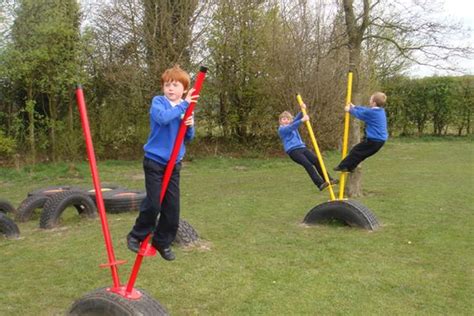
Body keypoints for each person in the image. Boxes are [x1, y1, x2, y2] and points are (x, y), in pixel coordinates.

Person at [127, 65, 199, 261]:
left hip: (174, 164)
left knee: (172, 209)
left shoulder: (186, 109)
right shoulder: (159, 103)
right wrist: (183, 106)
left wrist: (190, 126)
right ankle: (136, 236)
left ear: (184, 89)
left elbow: (187, 137)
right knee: (153, 204)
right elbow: (163, 119)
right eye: (167, 84)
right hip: (155, 162)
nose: (170, 88)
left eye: (175, 85)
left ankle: (162, 241)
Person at [278, 104, 338, 192]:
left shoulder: (292, 123)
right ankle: (320, 183)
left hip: (302, 148)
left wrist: (302, 110)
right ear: (280, 121)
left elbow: (297, 119)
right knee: (307, 164)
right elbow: (292, 127)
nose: (286, 121)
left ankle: (328, 179)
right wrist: (302, 120)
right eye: (283, 119)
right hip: (293, 151)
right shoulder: (282, 130)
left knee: (317, 161)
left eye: (287, 119)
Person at [334, 92, 388, 173]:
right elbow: (365, 110)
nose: (369, 100)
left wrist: (349, 110)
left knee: (355, 151)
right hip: (380, 141)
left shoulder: (372, 113)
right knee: (361, 154)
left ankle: (343, 166)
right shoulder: (380, 111)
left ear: (374, 103)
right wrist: (355, 107)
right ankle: (350, 167)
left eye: (370, 99)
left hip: (373, 140)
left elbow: (360, 114)